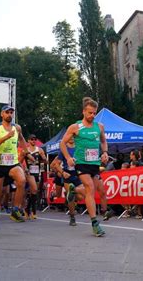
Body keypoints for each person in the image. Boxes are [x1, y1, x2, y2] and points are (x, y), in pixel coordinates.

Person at [60, 97, 108, 237]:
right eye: (90, 113)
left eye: (94, 113)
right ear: (83, 112)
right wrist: (68, 158)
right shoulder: (75, 127)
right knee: (90, 189)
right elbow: (62, 143)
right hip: (81, 163)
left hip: (95, 164)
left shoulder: (99, 127)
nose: (92, 115)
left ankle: (74, 191)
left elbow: (104, 142)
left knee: (94, 188)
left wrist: (105, 152)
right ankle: (95, 223)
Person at [0, 105, 29, 229]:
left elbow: (21, 139)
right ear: (2, 114)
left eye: (11, 112)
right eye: (7, 112)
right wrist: (6, 136)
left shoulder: (17, 128)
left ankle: (15, 209)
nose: (9, 115)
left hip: (12, 163)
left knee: (22, 180)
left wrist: (26, 150)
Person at [51, 136, 86, 226]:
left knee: (81, 196)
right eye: (69, 137)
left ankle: (71, 195)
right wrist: (62, 173)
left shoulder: (78, 147)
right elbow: (56, 164)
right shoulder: (64, 149)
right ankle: (72, 217)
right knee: (71, 197)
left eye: (73, 137)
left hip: (77, 174)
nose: (71, 138)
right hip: (67, 175)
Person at [23, 134, 46, 220]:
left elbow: (45, 162)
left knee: (34, 192)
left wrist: (44, 158)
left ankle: (27, 210)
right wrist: (24, 169)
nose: (33, 141)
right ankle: (33, 211)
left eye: (35, 139)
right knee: (33, 190)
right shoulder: (26, 150)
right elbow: (21, 161)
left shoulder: (39, 150)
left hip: (37, 172)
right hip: (28, 173)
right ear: (28, 140)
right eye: (32, 139)